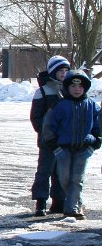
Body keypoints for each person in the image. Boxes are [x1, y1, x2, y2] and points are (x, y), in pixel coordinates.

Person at [42, 69, 100, 219]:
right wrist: (53, 145)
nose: (76, 89)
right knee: (65, 178)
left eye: (80, 86)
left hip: (84, 148)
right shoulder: (59, 106)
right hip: (63, 149)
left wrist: (96, 141)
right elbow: (48, 126)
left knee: (77, 179)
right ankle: (77, 202)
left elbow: (98, 126)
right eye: (73, 86)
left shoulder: (92, 106)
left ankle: (72, 209)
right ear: (67, 87)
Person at [30, 55, 69, 216]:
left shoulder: (69, 89)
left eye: (66, 70)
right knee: (44, 170)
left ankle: (58, 201)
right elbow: (36, 117)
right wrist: (46, 132)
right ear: (52, 72)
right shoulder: (43, 91)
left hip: (64, 140)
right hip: (47, 140)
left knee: (61, 172)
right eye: (60, 70)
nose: (63, 73)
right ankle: (41, 201)